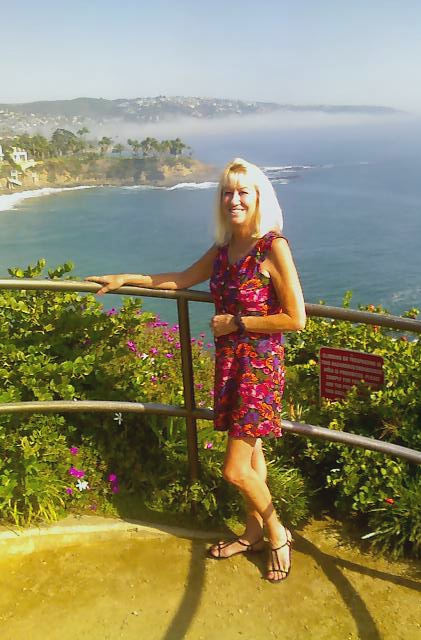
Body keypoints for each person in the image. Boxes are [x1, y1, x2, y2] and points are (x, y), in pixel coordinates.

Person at [86, 158, 306, 582]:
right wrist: (126, 277)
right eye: (227, 192)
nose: (234, 199)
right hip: (232, 364)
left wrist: (239, 322)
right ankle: (253, 533)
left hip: (259, 368)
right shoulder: (224, 250)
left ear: (259, 197)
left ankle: (278, 531)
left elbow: (297, 318)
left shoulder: (272, 246)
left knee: (234, 468)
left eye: (243, 192)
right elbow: (182, 280)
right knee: (253, 454)